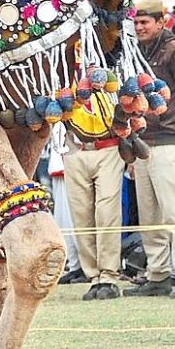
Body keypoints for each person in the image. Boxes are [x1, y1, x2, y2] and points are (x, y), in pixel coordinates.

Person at [124, 0, 175, 300]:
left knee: (174, 210)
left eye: (145, 22)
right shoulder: (136, 52)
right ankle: (157, 274)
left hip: (170, 139)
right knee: (149, 214)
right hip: (143, 142)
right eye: (136, 23)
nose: (140, 27)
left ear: (161, 22)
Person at [63, 86, 127, 301]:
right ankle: (93, 276)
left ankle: (109, 275)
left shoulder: (107, 72)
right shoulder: (63, 72)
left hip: (108, 147)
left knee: (106, 212)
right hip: (75, 149)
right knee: (81, 215)